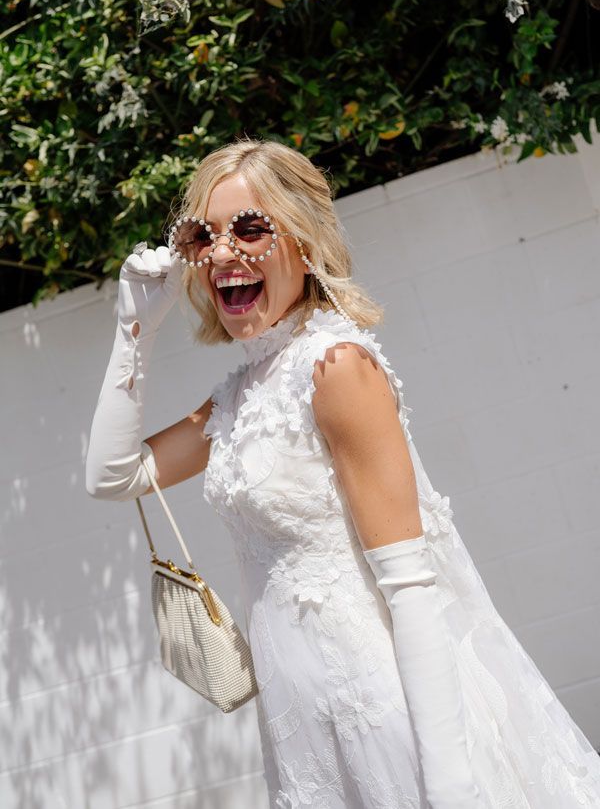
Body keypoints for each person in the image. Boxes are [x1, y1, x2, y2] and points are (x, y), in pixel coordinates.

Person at [86, 137, 600, 808]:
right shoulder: (239, 397)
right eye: (204, 236)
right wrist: (135, 325)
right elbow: (112, 474)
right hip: (303, 730)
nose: (222, 253)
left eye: (250, 228)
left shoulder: (336, 368)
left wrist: (449, 785)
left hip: (385, 713)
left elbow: (410, 585)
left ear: (304, 242)